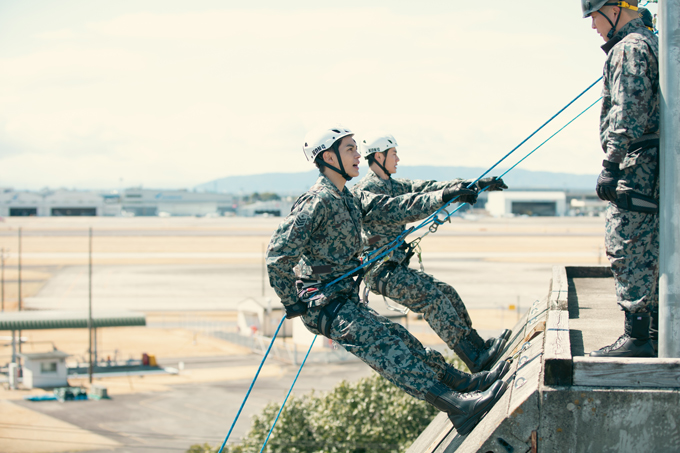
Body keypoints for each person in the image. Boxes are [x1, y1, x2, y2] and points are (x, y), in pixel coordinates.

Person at [266, 126, 509, 435]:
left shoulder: (349, 197)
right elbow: (277, 255)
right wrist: (293, 302)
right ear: (329, 157)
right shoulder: (316, 201)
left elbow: (395, 207)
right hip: (324, 304)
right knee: (388, 349)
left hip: (344, 299)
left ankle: (465, 384)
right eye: (350, 149)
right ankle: (459, 408)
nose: (358, 155)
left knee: (402, 339)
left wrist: (445, 195)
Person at [351, 132, 511, 373]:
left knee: (447, 293)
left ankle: (478, 349)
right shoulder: (365, 191)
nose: (398, 159)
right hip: (380, 272)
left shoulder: (394, 185)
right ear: (379, 157)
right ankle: (475, 358)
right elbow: (404, 208)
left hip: (394, 268)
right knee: (433, 300)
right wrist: (445, 197)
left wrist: (474, 184)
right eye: (393, 154)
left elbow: (429, 188)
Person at [582, 0, 660, 357]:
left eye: (595, 17)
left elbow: (628, 109)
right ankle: (653, 331)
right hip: (654, 158)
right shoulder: (652, 40)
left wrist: (612, 164)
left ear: (613, 10)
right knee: (652, 245)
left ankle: (637, 338)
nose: (593, 26)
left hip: (638, 161)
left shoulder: (629, 48)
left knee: (626, 242)